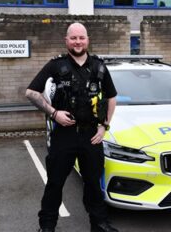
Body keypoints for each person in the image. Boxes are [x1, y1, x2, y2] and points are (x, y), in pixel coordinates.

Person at [25, 22, 118, 232]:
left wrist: (104, 127)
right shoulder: (55, 66)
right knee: (55, 183)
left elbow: (111, 98)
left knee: (93, 183)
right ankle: (47, 226)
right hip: (64, 136)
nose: (78, 42)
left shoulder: (99, 67)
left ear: (88, 40)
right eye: (73, 38)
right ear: (66, 41)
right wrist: (54, 113)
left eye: (81, 38)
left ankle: (99, 224)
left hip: (91, 135)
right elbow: (31, 92)